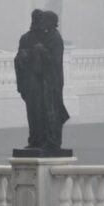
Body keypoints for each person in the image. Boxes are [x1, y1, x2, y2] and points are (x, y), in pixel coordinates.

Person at [14, 9, 45, 148]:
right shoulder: (27, 38)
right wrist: (24, 56)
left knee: (36, 113)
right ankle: (35, 140)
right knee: (34, 113)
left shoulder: (46, 37)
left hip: (38, 83)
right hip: (33, 83)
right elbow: (18, 58)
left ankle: (38, 139)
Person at [39, 10, 69, 151]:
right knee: (48, 110)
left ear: (51, 22)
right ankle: (49, 139)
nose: (42, 23)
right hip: (48, 78)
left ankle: (54, 140)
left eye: (45, 20)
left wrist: (43, 51)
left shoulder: (55, 38)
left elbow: (56, 60)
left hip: (53, 80)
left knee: (53, 110)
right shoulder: (48, 36)